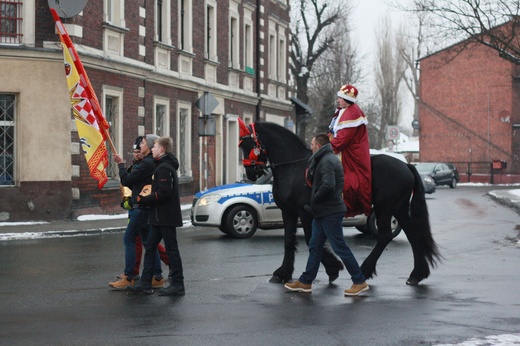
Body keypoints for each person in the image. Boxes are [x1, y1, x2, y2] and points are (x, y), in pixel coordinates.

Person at [284, 134, 369, 296]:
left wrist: (314, 200)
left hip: (330, 212)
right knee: (315, 246)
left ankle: (359, 281)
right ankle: (306, 281)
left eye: (312, 143)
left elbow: (329, 185)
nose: (310, 146)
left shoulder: (327, 161)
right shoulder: (324, 159)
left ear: (319, 146)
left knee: (339, 247)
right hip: (322, 212)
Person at [128, 136, 185, 296]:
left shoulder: (164, 168)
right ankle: (145, 282)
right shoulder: (162, 166)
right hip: (158, 216)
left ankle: (178, 283)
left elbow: (164, 193)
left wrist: (146, 199)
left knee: (171, 249)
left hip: (165, 216)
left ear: (162, 149)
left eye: (154, 147)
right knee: (151, 246)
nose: (151, 149)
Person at [108, 134, 166, 290]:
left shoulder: (147, 163)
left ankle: (130, 276)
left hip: (141, 207)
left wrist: (120, 164)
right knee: (149, 243)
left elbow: (126, 180)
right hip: (142, 207)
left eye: (145, 143)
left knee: (129, 239)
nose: (141, 146)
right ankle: (156, 276)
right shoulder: (148, 162)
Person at [328, 84, 372, 218]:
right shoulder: (343, 110)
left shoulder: (352, 113)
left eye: (340, 98)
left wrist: (325, 149)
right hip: (342, 149)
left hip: (351, 154)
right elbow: (333, 134)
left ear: (347, 99)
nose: (338, 100)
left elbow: (342, 139)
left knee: (348, 180)